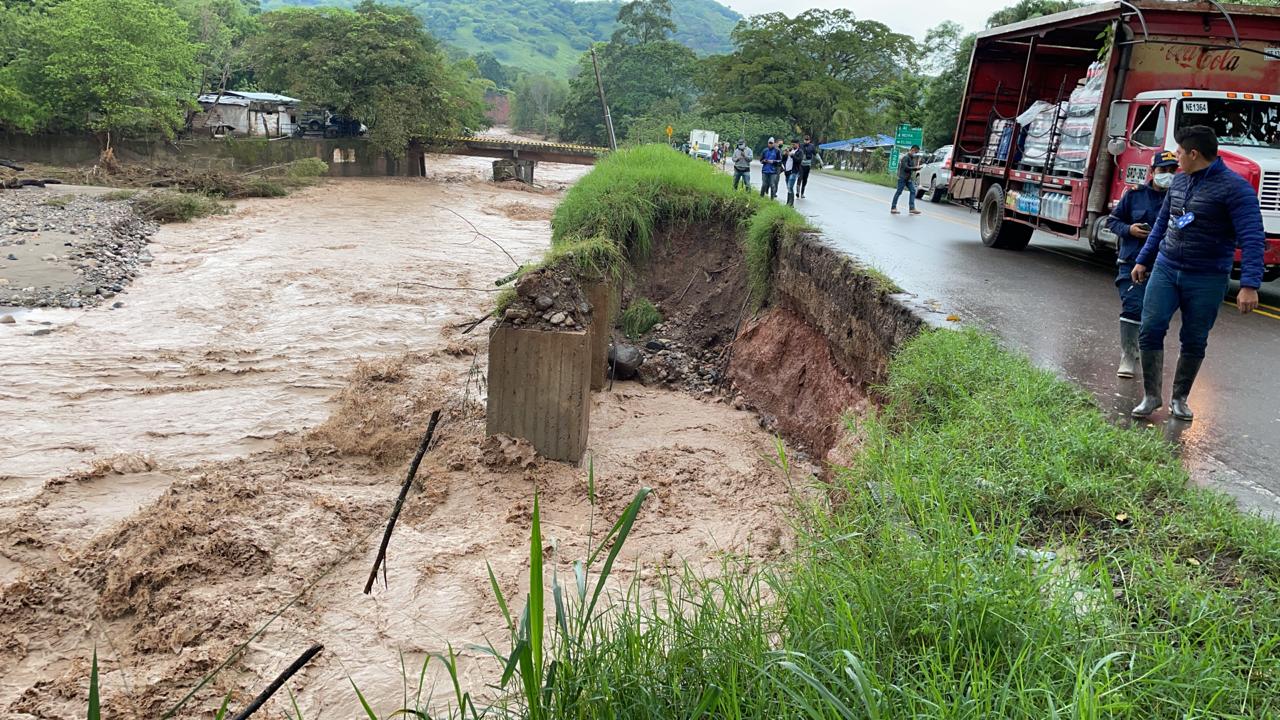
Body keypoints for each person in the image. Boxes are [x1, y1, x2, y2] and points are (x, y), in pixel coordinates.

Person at [1130, 125, 1265, 421]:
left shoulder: (1236, 189)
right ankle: (1151, 397)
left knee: (1194, 338)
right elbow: (1164, 223)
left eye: (1179, 152)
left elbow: (1253, 237)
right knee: (1150, 327)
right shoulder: (1179, 182)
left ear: (1194, 154)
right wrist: (1143, 259)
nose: (1175, 157)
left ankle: (1180, 398)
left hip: (1207, 276)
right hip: (1166, 268)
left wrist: (1250, 284)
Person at [1105, 150, 1179, 379]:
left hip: (1164, 264)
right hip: (1132, 261)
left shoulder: (1179, 197)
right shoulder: (1134, 195)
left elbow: (1188, 221)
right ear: (1152, 172)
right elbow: (1112, 221)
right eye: (1163, 170)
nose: (1167, 175)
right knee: (1133, 307)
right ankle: (1128, 355)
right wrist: (1130, 230)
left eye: (1172, 170)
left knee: (1154, 314)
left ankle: (1142, 351)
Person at [890, 145, 922, 215]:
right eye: (915, 152)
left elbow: (911, 168)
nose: (915, 154)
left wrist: (916, 167)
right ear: (912, 150)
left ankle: (912, 208)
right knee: (899, 192)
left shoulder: (911, 158)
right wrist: (915, 168)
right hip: (902, 177)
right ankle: (893, 208)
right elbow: (906, 168)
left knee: (913, 191)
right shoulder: (905, 157)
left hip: (908, 178)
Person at [783, 139, 803, 206]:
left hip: (794, 171)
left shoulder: (800, 152)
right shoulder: (790, 150)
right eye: (792, 144)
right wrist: (785, 154)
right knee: (788, 188)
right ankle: (788, 203)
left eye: (794, 144)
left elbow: (799, 160)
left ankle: (791, 204)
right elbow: (783, 160)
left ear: (798, 144)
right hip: (787, 171)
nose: (793, 145)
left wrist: (792, 155)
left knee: (790, 187)